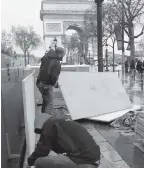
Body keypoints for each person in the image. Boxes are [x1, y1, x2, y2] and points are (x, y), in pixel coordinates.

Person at [27, 117, 100, 168]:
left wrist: (30, 162)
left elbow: (42, 151)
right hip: (94, 159)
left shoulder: (49, 125)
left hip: (86, 163)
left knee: (39, 162)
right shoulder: (61, 122)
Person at [36, 47, 65, 114]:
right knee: (49, 103)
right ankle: (47, 120)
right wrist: (56, 84)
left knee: (45, 101)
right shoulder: (56, 62)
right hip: (46, 84)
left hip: (39, 82)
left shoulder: (47, 57)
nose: (63, 56)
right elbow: (53, 77)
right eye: (63, 54)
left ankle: (43, 116)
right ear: (60, 54)